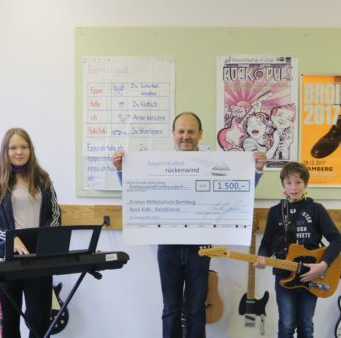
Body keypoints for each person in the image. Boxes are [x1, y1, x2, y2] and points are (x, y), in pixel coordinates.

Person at [112, 112, 267, 338]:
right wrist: (120, 169)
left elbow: (239, 191)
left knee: (196, 310)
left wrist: (257, 171)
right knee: (170, 310)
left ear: (200, 134)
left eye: (191, 131)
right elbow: (136, 193)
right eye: (181, 131)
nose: (186, 136)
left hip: (200, 249)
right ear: (173, 134)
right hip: (168, 248)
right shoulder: (158, 165)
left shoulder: (214, 165)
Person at [0, 128, 61, 338]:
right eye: (13, 147)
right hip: (5, 260)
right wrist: (10, 239)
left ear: (30, 150)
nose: (19, 152)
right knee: (10, 319)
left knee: (39, 320)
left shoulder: (43, 180)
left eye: (24, 147)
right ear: (5, 151)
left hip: (39, 261)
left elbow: (56, 216)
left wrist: (44, 242)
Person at [254, 161, 341, 338]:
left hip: (311, 275)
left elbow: (336, 240)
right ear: (283, 185)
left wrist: (323, 266)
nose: (293, 187)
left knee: (306, 325)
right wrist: (262, 257)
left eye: (298, 182)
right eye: (288, 182)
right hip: (283, 274)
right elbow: (266, 244)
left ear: (306, 184)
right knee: (286, 324)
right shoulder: (275, 212)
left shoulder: (316, 209)